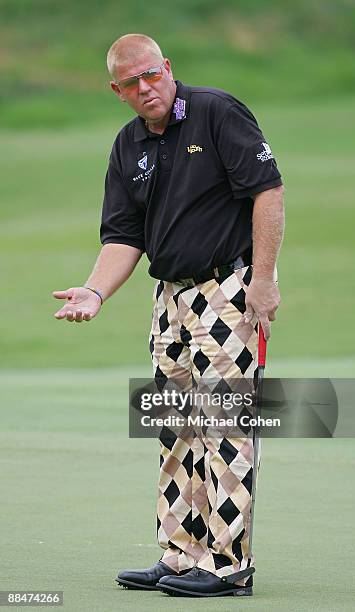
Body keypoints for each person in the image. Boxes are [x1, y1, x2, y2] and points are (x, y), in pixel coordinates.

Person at [52, 33, 284, 598]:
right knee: (176, 428)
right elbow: (123, 236)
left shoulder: (215, 113)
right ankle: (182, 555)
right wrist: (95, 292)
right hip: (169, 300)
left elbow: (268, 192)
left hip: (227, 289)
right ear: (117, 90)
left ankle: (229, 567)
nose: (145, 88)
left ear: (167, 68)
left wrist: (263, 278)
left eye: (152, 74)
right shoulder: (128, 144)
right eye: (131, 83)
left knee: (225, 429)